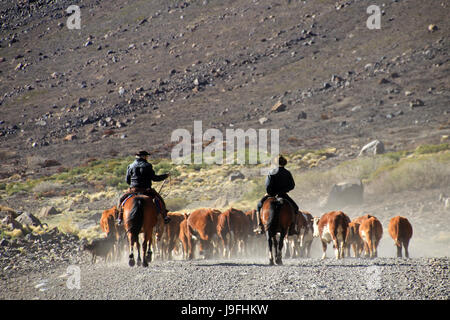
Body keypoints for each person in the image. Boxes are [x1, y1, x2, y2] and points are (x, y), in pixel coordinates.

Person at [116, 150, 171, 225]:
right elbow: (155, 178)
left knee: (121, 200)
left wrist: (133, 186)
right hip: (146, 190)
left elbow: (127, 180)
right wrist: (165, 176)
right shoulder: (148, 165)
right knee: (159, 200)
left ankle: (119, 218)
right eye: (146, 156)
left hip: (133, 190)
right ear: (143, 156)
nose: (147, 158)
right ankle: (165, 216)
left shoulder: (130, 166)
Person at [255, 155, 299, 234]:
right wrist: (283, 191)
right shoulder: (287, 173)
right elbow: (292, 185)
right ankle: (293, 227)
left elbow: (268, 186)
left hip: (271, 194)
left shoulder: (271, 172)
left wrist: (270, 193)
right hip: (283, 195)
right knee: (295, 208)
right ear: (284, 163)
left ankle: (260, 225)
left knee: (259, 206)